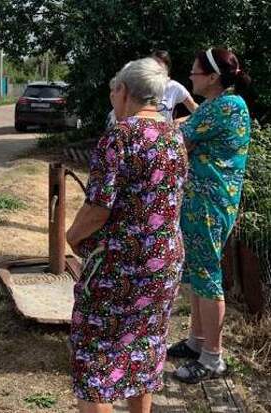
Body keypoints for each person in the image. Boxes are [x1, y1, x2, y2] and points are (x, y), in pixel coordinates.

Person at [66, 58, 188, 413]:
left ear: (124, 91)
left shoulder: (120, 135)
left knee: (96, 358)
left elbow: (99, 208)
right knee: (144, 350)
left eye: (112, 90)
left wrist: (72, 236)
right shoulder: (174, 136)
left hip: (122, 266)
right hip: (164, 261)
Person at [169, 48, 251, 384]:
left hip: (210, 204)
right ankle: (196, 343)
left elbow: (177, 139)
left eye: (195, 72)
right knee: (200, 273)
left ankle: (212, 358)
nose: (190, 77)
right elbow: (188, 127)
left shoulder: (227, 106)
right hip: (205, 203)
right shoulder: (219, 106)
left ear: (213, 77)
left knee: (207, 275)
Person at [150, 50, 199, 122]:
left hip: (165, 132)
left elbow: (197, 110)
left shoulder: (175, 87)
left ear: (167, 68)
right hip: (139, 131)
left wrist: (183, 120)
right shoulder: (139, 86)